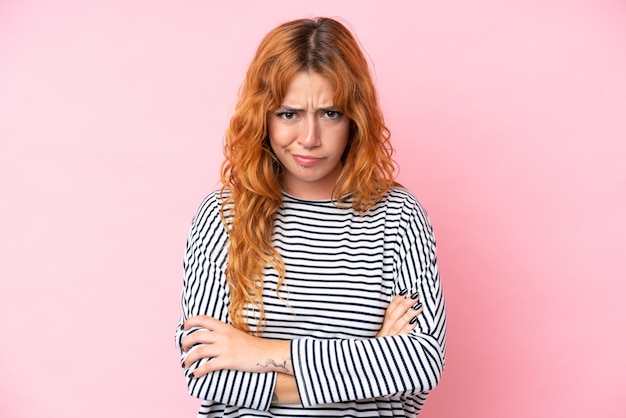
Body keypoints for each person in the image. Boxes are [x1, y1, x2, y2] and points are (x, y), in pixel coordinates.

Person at [175, 17, 446, 417]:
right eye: (288, 114)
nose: (309, 137)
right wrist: (374, 360)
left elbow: (420, 363)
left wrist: (256, 352)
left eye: (330, 113)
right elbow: (206, 372)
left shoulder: (399, 217)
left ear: (355, 118)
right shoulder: (224, 215)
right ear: (263, 116)